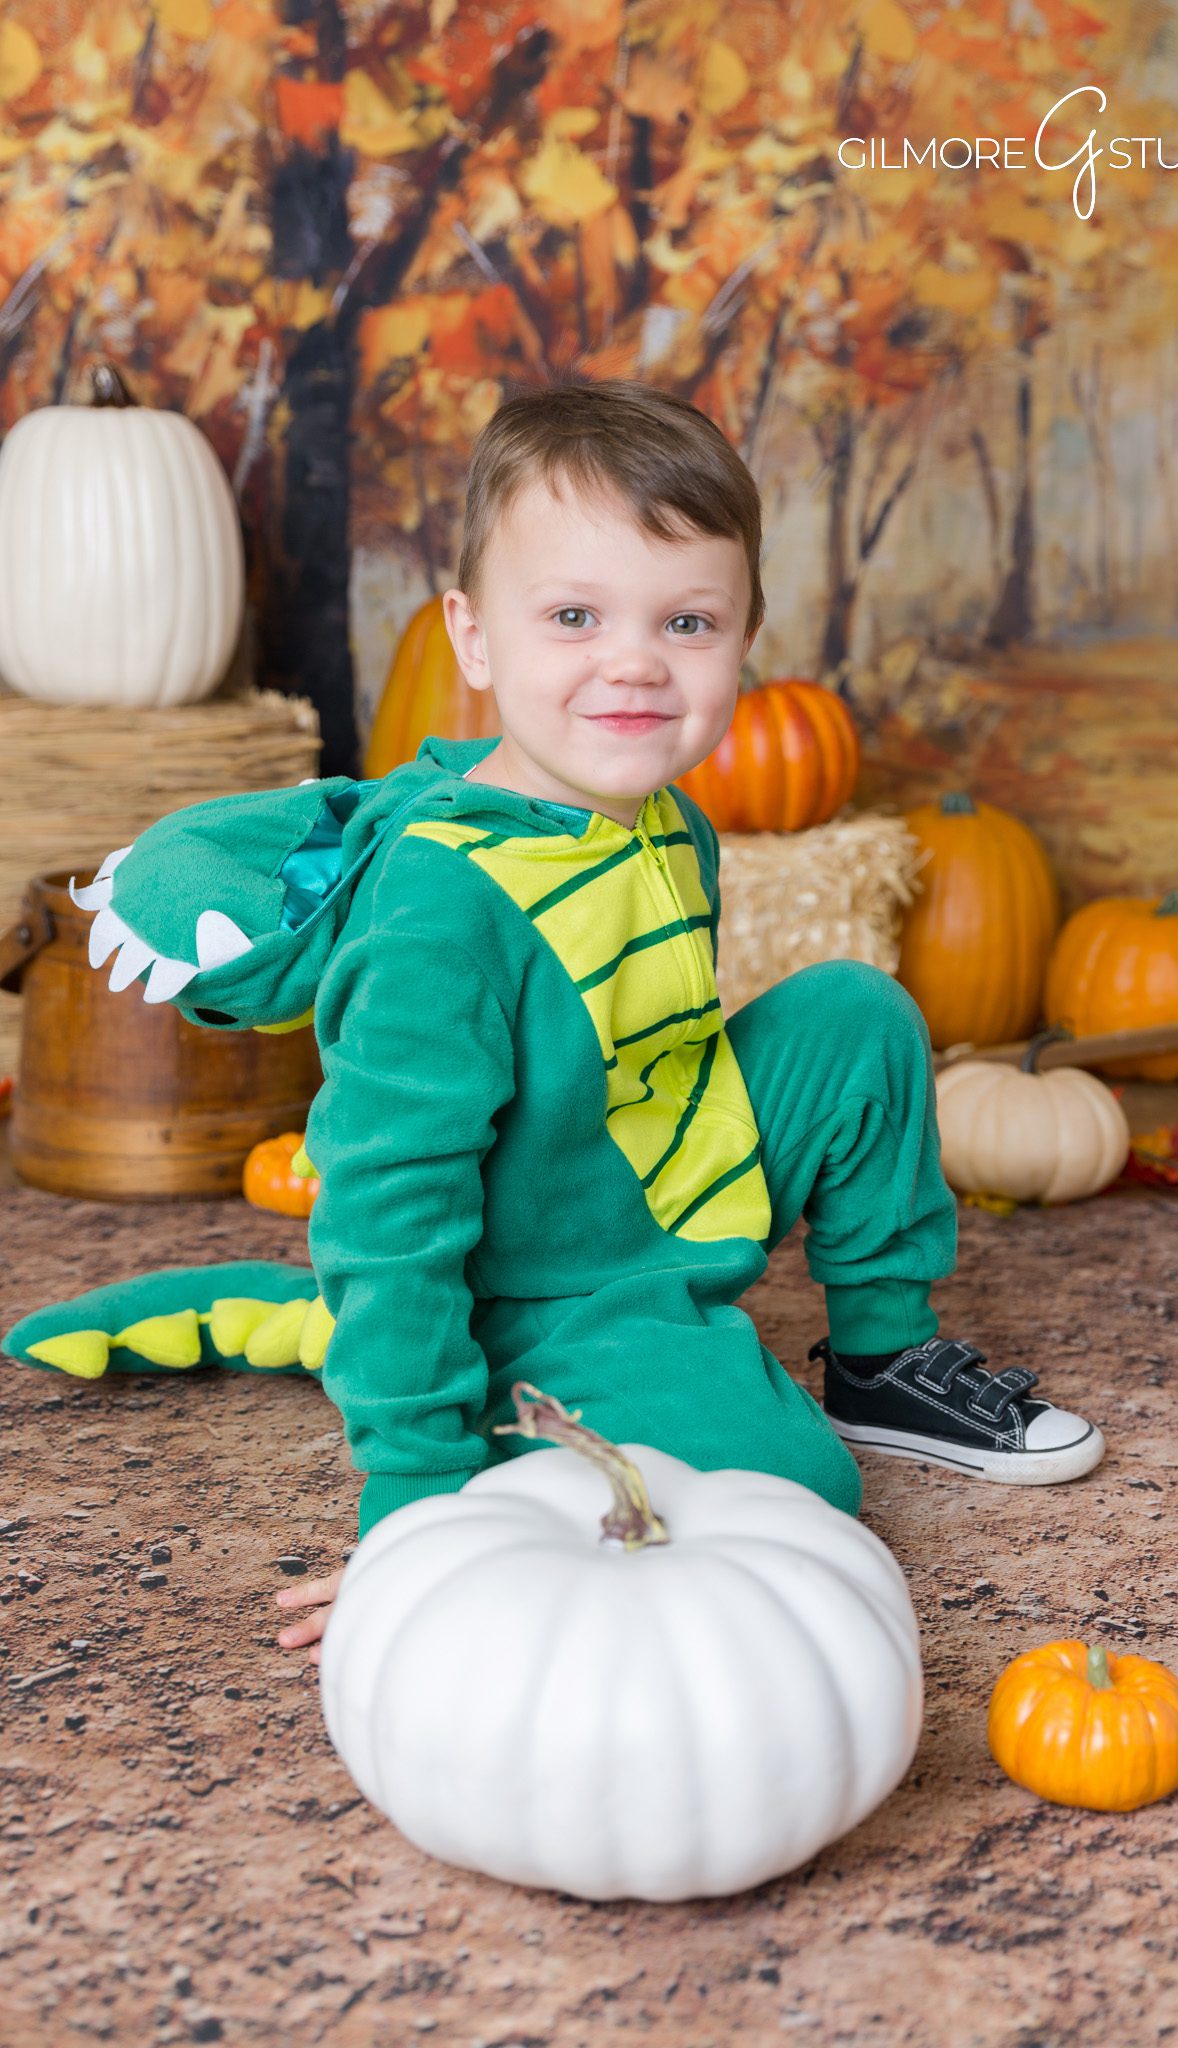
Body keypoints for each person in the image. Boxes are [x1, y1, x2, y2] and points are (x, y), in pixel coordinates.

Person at [2, 378, 1103, 1666]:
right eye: (574, 615)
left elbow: (649, 1039)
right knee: (786, 1490)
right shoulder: (442, 909)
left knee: (858, 1013)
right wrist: (411, 1507)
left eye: (686, 620)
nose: (634, 661)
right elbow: (387, 1207)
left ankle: (880, 1363)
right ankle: (514, 1431)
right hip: (548, 1288)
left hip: (655, 1175)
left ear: (745, 638)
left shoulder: (655, 815)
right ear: (473, 639)